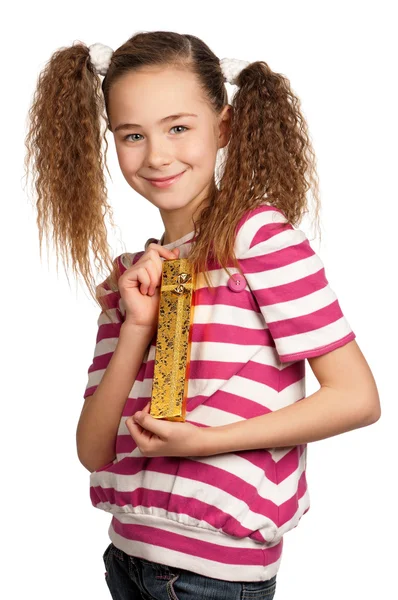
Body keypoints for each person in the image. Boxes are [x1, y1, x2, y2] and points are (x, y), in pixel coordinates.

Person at [24, 30, 381, 600]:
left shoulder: (258, 239)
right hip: (126, 558)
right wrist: (138, 324)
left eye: (179, 127)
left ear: (226, 127)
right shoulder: (134, 275)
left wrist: (202, 443)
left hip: (211, 577)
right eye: (132, 135)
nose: (157, 155)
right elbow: (93, 451)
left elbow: (357, 397)